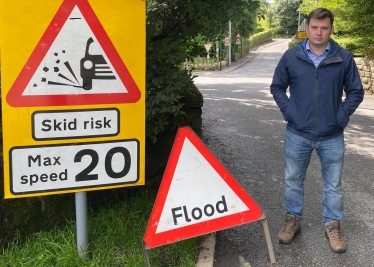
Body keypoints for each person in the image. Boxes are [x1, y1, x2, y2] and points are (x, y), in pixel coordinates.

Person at [270, 7, 364, 253]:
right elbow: (277, 87)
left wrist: (340, 117)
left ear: (331, 29)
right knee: (292, 181)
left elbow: (356, 91)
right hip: (297, 133)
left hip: (331, 135)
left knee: (333, 184)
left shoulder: (344, 58)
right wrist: (289, 112)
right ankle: (292, 220)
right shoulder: (291, 57)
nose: (319, 32)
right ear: (307, 28)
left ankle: (332, 225)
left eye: (324, 27)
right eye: (314, 27)